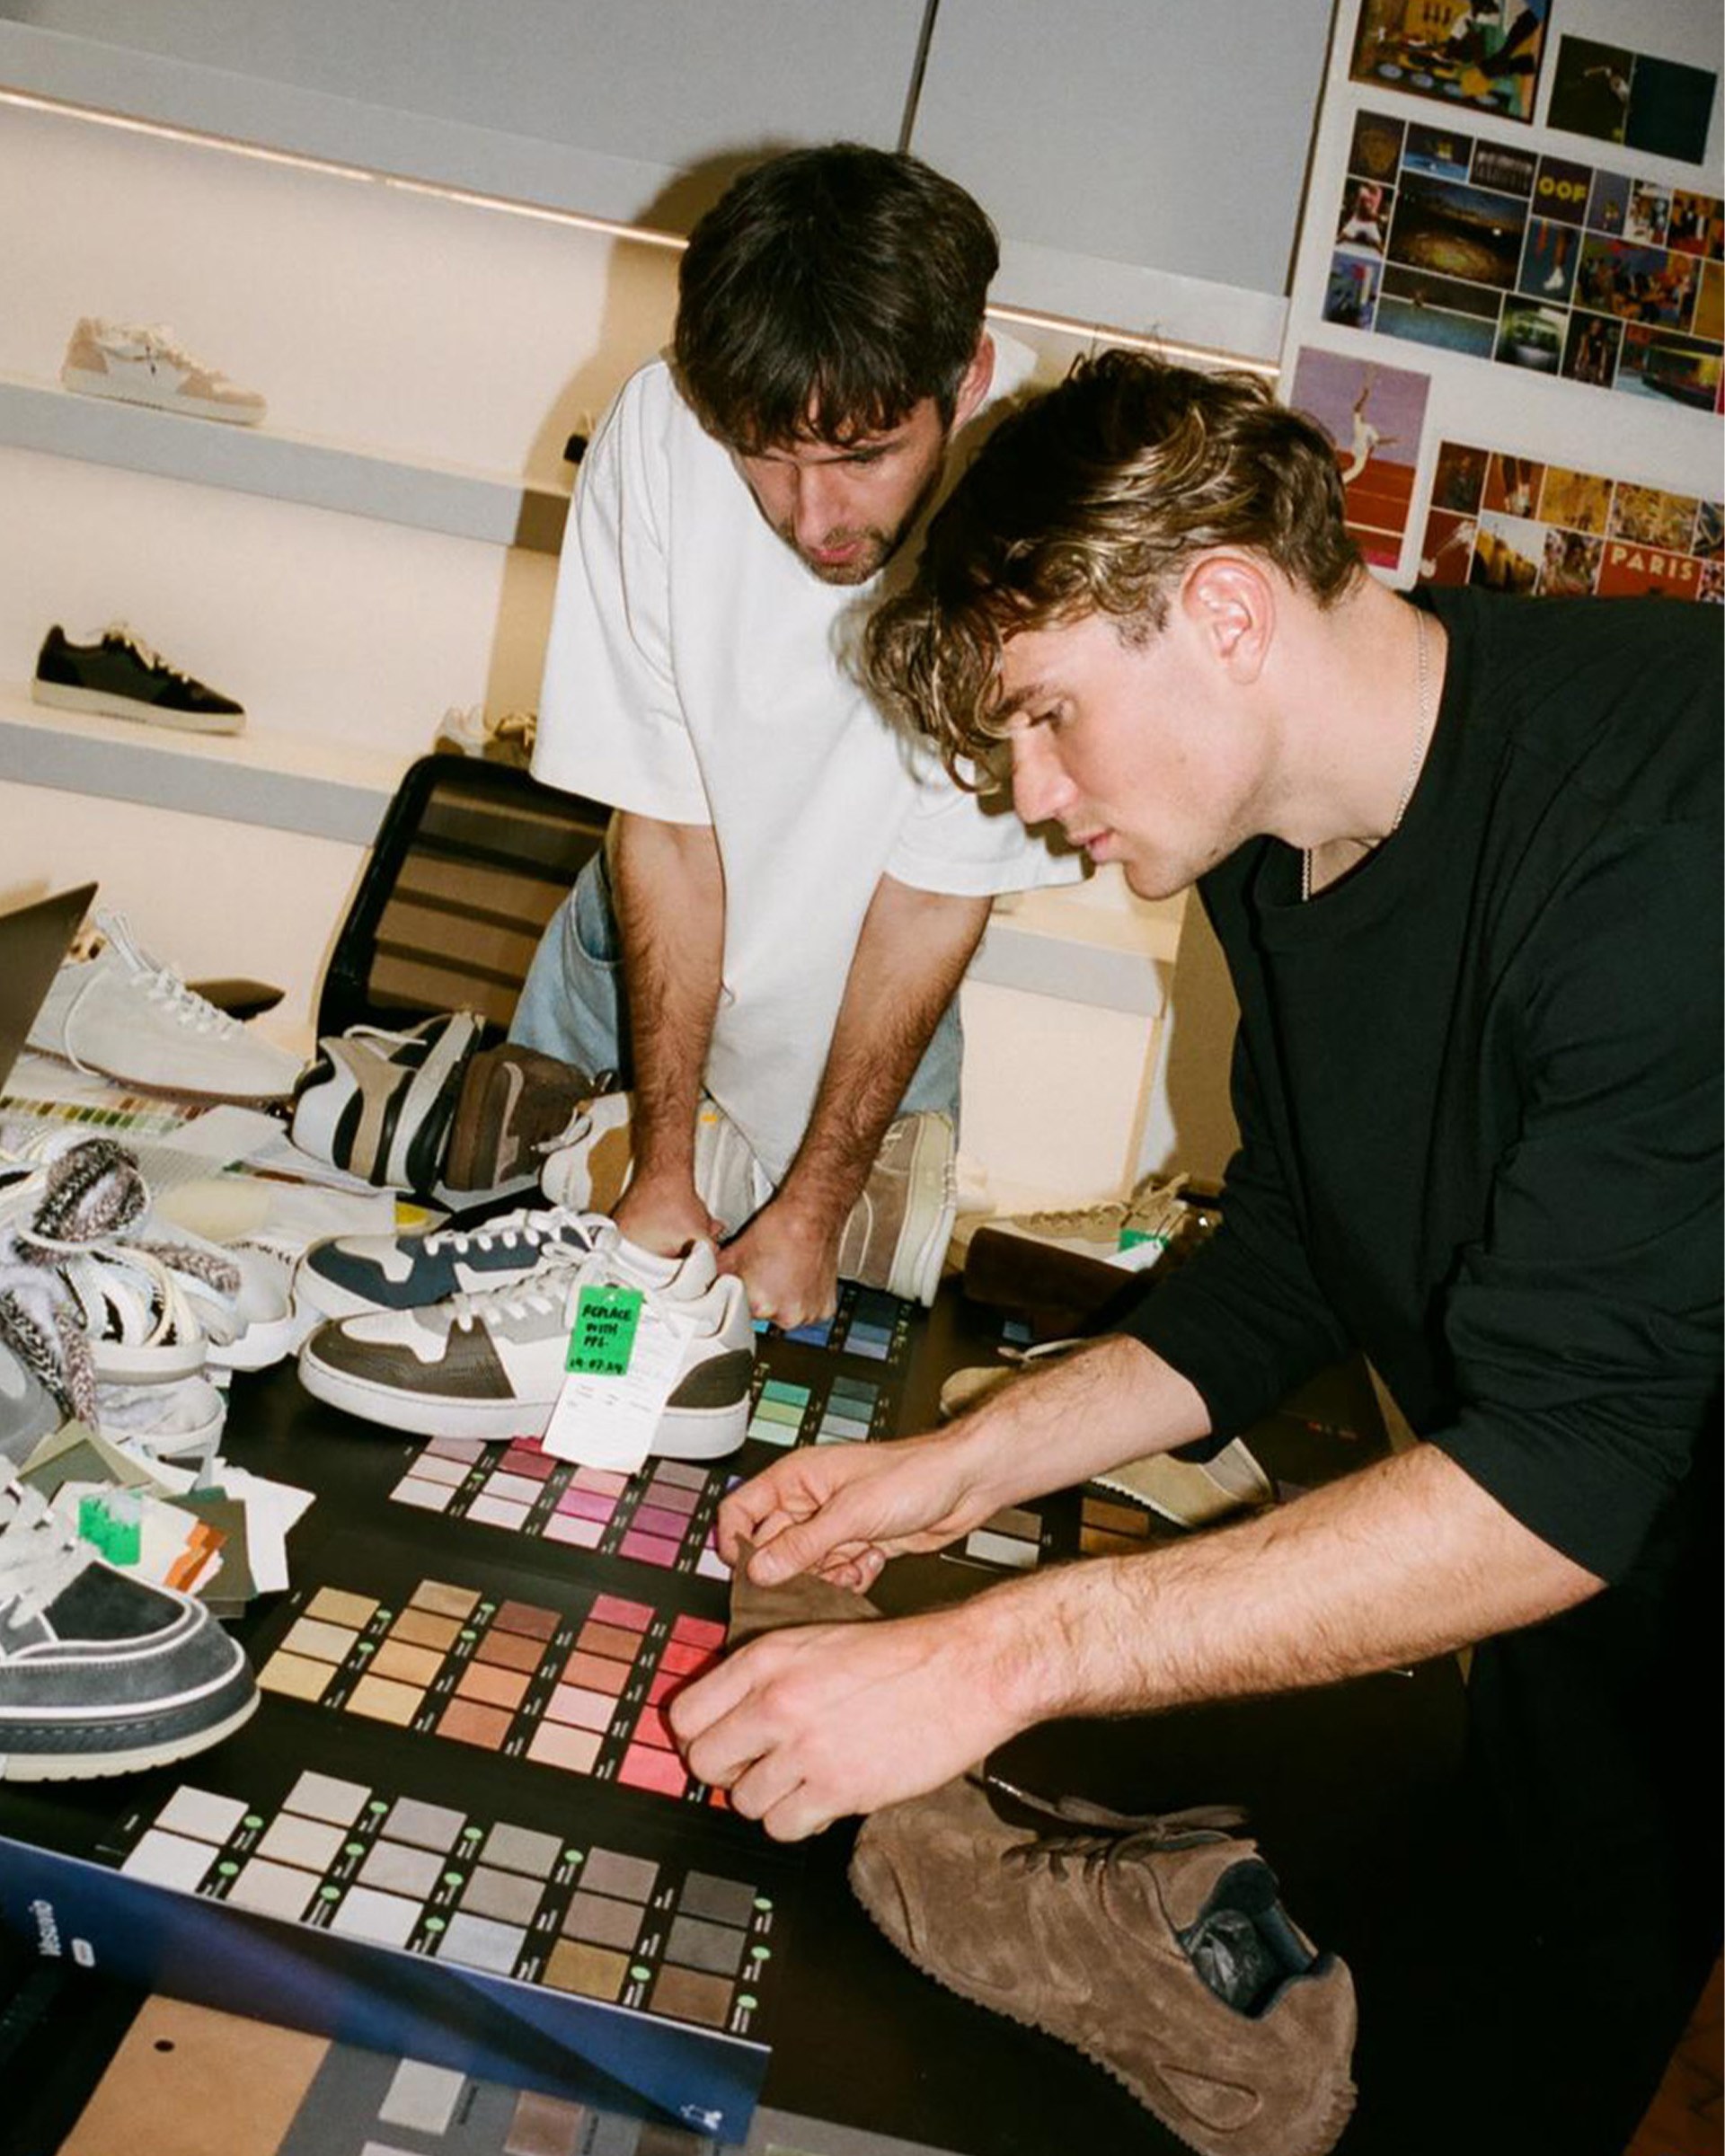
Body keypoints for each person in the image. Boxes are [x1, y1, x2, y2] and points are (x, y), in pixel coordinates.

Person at [668, 352, 1721, 2153]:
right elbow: (1300, 1253)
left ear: (1226, 610)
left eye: (1048, 714)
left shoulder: (1661, 840)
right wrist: (951, 1474)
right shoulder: (1271, 843)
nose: (1027, 791)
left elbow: (1569, 1472)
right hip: (1595, 1655)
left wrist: (988, 1658)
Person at [510, 146, 1075, 1327]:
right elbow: (666, 823)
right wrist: (661, 1170)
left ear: (963, 378)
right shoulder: (661, 430)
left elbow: (929, 900)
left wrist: (814, 1209)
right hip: (634, 974)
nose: (816, 517)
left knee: (807, 1413)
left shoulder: (1034, 497)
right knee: (528, 1332)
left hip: (878, 1012)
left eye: (864, 457)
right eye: (769, 456)